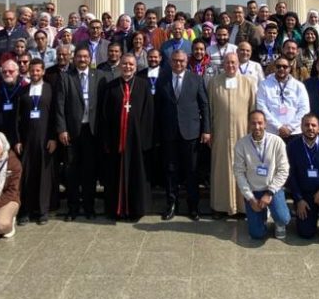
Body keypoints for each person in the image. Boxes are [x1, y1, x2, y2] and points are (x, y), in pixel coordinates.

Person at [96, 53, 155, 221]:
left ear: (136, 67)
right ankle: (116, 210)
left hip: (136, 142)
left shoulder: (143, 85)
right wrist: (106, 140)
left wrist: (145, 141)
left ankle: (135, 210)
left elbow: (149, 114)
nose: (127, 67)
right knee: (114, 175)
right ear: (120, 66)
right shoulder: (111, 86)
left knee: (136, 175)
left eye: (130, 64)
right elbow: (104, 115)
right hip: (116, 140)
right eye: (124, 64)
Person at [154, 50, 211, 221]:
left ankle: (193, 206)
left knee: (191, 171)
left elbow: (204, 105)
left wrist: (206, 130)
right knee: (171, 170)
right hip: (169, 133)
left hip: (191, 132)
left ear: (187, 62)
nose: (178, 64)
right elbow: (158, 107)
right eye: (175, 61)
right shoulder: (162, 79)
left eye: (182, 61)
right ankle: (172, 204)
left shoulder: (196, 79)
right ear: (171, 62)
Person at [57, 47, 111, 220]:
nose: (82, 59)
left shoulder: (100, 76)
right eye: (79, 56)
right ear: (74, 58)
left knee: (90, 171)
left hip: (92, 131)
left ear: (90, 58)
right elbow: (59, 106)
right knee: (72, 170)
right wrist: (62, 129)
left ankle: (89, 207)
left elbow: (104, 105)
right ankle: (73, 208)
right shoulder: (66, 77)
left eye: (85, 56)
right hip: (72, 132)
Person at [207, 53, 259, 218]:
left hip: (242, 133)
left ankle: (243, 207)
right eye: (227, 62)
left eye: (233, 62)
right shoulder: (214, 82)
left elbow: (253, 109)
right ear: (223, 64)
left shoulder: (248, 82)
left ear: (239, 64)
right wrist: (210, 132)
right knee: (220, 170)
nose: (230, 65)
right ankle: (220, 206)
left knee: (242, 169)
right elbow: (209, 109)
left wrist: (253, 133)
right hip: (220, 134)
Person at [233, 110, 292, 240]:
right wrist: (250, 198)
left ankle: (279, 222)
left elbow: (284, 170)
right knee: (257, 234)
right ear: (249, 125)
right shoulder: (241, 144)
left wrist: (270, 193)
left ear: (265, 124)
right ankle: (262, 216)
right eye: (253, 123)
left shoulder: (277, 142)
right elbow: (239, 173)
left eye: (260, 123)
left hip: (272, 189)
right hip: (254, 191)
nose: (257, 127)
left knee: (284, 218)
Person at [14, 59, 57, 225]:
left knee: (43, 176)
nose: (35, 73)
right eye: (32, 71)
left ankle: (42, 211)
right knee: (26, 175)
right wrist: (17, 140)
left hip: (45, 139)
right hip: (26, 140)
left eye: (38, 70)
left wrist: (53, 137)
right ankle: (26, 210)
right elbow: (16, 118)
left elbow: (55, 115)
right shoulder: (23, 91)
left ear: (43, 71)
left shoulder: (49, 90)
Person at [256, 56, 310, 139]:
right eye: (278, 66)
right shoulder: (264, 84)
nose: (281, 69)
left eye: (285, 67)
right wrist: (278, 127)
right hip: (272, 132)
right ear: (274, 67)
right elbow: (261, 107)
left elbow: (304, 109)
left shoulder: (299, 86)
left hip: (294, 132)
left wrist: (290, 127)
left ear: (290, 68)